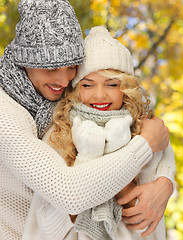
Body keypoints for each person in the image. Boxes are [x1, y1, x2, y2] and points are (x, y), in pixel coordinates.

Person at [0, 1, 174, 239]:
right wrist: (145, 144)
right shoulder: (5, 114)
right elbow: (68, 192)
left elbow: (160, 145)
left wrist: (164, 183)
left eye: (71, 66)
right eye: (51, 68)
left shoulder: (63, 102)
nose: (63, 80)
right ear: (24, 62)